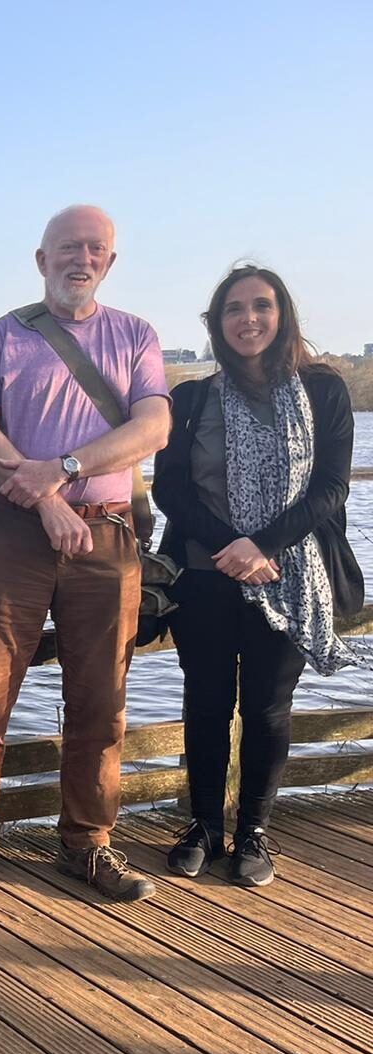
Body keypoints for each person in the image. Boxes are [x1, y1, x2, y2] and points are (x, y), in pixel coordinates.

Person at [0, 205, 172, 902]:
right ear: (42, 260)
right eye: (68, 248)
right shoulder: (3, 337)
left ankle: (88, 843)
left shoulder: (137, 337)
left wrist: (62, 468)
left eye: (95, 249)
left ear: (110, 262)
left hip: (106, 537)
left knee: (102, 699)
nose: (81, 259)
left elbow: (153, 425)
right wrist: (44, 498)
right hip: (13, 532)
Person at [154, 265, 363, 887]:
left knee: (269, 706)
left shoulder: (324, 392)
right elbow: (171, 490)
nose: (249, 319)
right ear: (217, 325)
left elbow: (329, 487)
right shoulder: (192, 399)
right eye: (234, 310)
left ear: (282, 315)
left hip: (289, 572)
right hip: (207, 573)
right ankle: (203, 827)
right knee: (208, 701)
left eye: (261, 307)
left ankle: (254, 831)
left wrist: (265, 545)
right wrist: (232, 547)